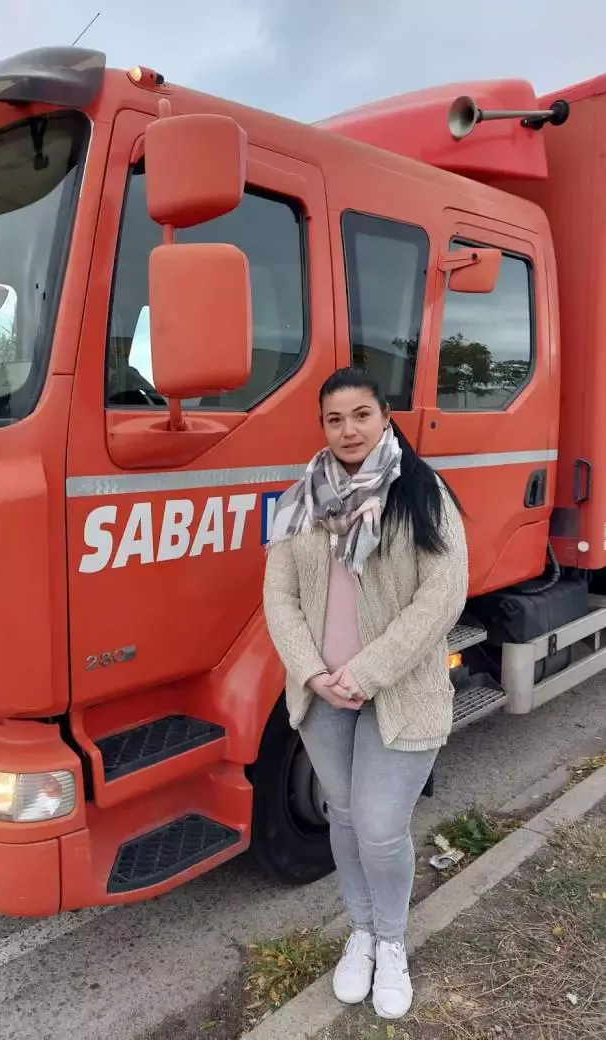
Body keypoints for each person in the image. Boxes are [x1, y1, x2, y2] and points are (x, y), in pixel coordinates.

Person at [262, 368, 468, 1021]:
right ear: (321, 426)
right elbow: (279, 595)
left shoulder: (422, 493)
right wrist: (312, 671)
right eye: (334, 419)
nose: (348, 430)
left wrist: (368, 671)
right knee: (346, 820)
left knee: (380, 829)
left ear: (385, 417)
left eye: (361, 415)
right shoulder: (302, 499)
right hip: (323, 693)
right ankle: (361, 932)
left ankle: (392, 942)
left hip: (397, 688)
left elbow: (441, 599)